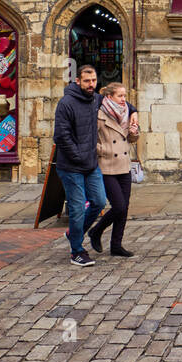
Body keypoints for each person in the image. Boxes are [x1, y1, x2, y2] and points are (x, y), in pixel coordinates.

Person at [53, 65, 108, 267]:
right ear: (78, 81)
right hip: (71, 166)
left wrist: (134, 112)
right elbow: (61, 136)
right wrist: (78, 156)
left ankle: (73, 233)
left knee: (99, 201)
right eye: (86, 81)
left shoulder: (96, 99)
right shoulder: (66, 103)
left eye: (93, 80)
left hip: (90, 164)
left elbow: (120, 102)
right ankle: (77, 250)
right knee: (76, 209)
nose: (91, 84)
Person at [89, 82, 140, 257]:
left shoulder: (127, 112)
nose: (123, 99)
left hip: (124, 164)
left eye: (125, 96)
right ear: (109, 97)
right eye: (120, 96)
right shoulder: (98, 114)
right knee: (118, 206)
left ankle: (116, 244)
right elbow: (89, 140)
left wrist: (134, 132)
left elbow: (132, 139)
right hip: (107, 165)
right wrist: (103, 150)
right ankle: (96, 231)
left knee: (124, 208)